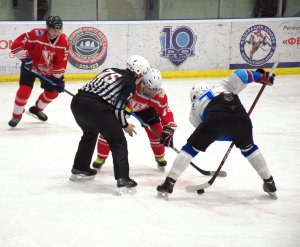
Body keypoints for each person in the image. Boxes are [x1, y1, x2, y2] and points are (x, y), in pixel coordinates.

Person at [157, 68, 277, 198]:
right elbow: (241, 74)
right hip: (241, 117)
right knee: (249, 148)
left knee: (190, 149)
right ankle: (269, 181)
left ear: (193, 96)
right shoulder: (221, 87)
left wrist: (225, 130)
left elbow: (211, 133)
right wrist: (260, 76)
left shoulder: (193, 109)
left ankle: (169, 182)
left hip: (215, 119)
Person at [69, 55, 150, 192]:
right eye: (142, 75)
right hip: (96, 108)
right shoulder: (130, 82)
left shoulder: (111, 69)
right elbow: (118, 108)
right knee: (118, 141)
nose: (142, 78)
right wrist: (125, 125)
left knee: (90, 133)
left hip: (77, 102)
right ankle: (123, 179)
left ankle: (80, 167)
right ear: (137, 72)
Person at [92, 69, 177, 171]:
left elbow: (166, 112)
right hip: (123, 106)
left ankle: (159, 156)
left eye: (155, 90)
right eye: (149, 89)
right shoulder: (131, 84)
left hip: (144, 109)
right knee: (110, 128)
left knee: (156, 130)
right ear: (142, 83)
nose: (152, 92)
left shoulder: (160, 96)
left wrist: (169, 128)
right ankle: (101, 157)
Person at [8, 16, 68, 128]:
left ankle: (36, 109)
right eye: (53, 29)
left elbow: (61, 61)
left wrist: (58, 77)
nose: (56, 32)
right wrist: (25, 58)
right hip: (30, 67)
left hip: (47, 70)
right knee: (24, 91)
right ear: (47, 28)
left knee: (53, 92)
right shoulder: (36, 34)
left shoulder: (64, 41)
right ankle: (16, 115)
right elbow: (16, 45)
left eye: (59, 29)